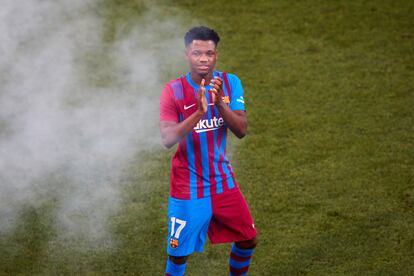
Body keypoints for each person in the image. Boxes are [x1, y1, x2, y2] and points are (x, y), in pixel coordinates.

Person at [159, 26, 257, 276]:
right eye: (197, 53)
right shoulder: (173, 91)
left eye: (209, 53)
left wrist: (220, 103)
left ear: (216, 55)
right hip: (187, 187)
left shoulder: (230, 83)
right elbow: (168, 138)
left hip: (222, 182)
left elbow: (241, 129)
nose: (203, 59)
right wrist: (199, 113)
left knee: (248, 239)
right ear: (186, 55)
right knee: (178, 255)